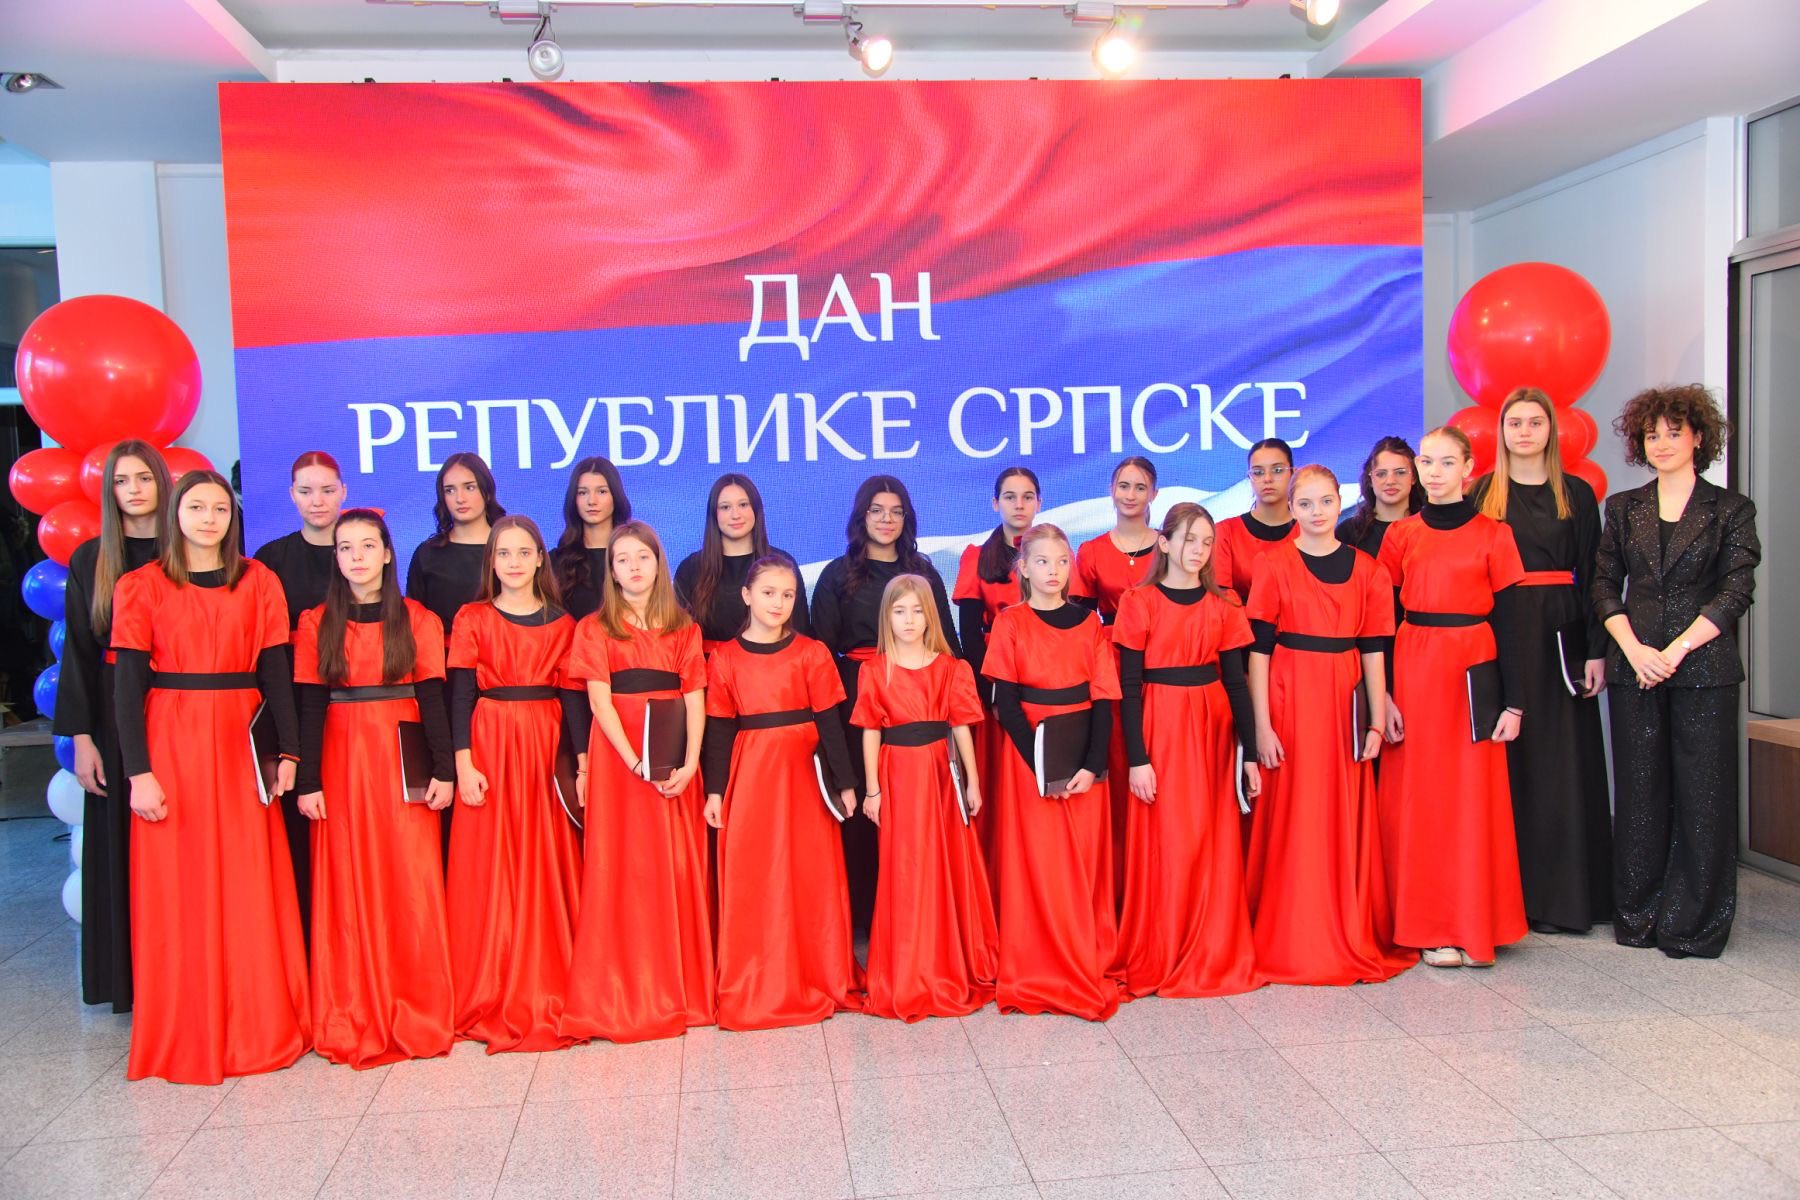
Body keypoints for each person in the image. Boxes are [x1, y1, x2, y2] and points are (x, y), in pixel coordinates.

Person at [111, 469, 308, 1083]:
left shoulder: (259, 581)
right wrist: (138, 772)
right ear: (176, 514)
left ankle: (257, 1020)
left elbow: (276, 673)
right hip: (171, 739)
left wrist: (290, 753)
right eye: (196, 507)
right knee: (181, 884)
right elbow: (126, 688)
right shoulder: (140, 586)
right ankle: (189, 1024)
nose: (208, 519)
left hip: (241, 738)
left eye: (220, 509)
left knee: (248, 877)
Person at [1594, 385, 1760, 959]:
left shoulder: (1730, 509)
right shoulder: (1622, 507)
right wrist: (1635, 650)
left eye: (1673, 433)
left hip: (1704, 669)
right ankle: (1638, 917)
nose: (1661, 443)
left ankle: (1694, 926)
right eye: (1651, 435)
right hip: (1634, 667)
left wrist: (1677, 650)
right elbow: (1603, 585)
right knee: (1639, 796)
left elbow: (1736, 591)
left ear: (1698, 438)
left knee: (1702, 799)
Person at [293, 509, 455, 1067]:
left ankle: (417, 1000)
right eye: (346, 547)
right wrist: (308, 779)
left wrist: (444, 769)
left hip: (403, 754)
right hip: (342, 758)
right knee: (349, 874)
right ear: (336, 558)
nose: (357, 556)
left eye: (368, 545)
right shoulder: (316, 622)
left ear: (387, 553)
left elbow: (432, 698)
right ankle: (354, 1002)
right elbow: (310, 705)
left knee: (410, 876)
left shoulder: (419, 619)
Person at [1246, 466, 1413, 985]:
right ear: (1291, 509)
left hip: (1344, 699)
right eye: (1306, 504)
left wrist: (1376, 717)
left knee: (1341, 809)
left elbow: (1374, 648)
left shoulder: (1369, 570)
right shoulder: (1271, 564)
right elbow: (1258, 652)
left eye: (1325, 502)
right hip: (1289, 697)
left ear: (1340, 502)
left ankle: (1342, 925)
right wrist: (1261, 727)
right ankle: (1290, 930)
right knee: (1292, 810)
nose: (1316, 512)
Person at [1378, 427, 1528, 968]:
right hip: (1414, 665)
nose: (1434, 472)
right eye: (1427, 461)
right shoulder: (1401, 535)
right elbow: (1382, 621)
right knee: (1421, 800)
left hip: (1473, 668)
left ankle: (1472, 922)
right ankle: (1427, 925)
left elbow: (1514, 624)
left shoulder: (1496, 534)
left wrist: (1515, 703)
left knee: (1470, 799)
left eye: (1446, 462)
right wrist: (1384, 696)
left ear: (1468, 468)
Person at [559, 520, 715, 1041]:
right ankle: (625, 984)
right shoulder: (594, 627)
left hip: (674, 759)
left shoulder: (684, 627)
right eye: (622, 559)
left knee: (673, 864)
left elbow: (695, 697)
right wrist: (632, 762)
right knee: (625, 864)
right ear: (611, 570)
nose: (633, 567)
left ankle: (680, 985)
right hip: (620, 761)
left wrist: (689, 762)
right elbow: (598, 701)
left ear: (658, 563)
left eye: (642, 557)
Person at [1471, 389, 1612, 934]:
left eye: (1535, 422)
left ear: (1551, 430)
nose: (1524, 432)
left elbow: (1596, 575)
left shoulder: (1575, 493)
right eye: (1515, 423)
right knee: (1509, 765)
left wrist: (1596, 649)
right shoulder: (1482, 492)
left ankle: (1561, 900)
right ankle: (1510, 897)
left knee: (1560, 763)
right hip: (1500, 633)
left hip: (1559, 632)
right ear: (1501, 431)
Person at [702, 555, 860, 1029]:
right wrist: (715, 792)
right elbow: (719, 731)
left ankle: (818, 970)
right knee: (758, 872)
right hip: (752, 774)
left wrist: (845, 783)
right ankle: (760, 974)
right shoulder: (725, 658)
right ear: (746, 595)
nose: (778, 602)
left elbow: (830, 724)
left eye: (788, 594)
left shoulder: (812, 653)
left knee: (808, 871)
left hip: (805, 774)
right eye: (768, 592)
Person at [445, 516, 584, 1052]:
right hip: (490, 744)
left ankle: (549, 973)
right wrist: (463, 762)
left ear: (540, 558)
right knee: (493, 860)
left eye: (525, 552)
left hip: (545, 744)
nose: (514, 562)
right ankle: (492, 978)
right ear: (492, 562)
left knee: (546, 855)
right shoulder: (472, 618)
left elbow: (572, 699)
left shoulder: (563, 623)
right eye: (504, 553)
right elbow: (461, 693)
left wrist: (582, 763)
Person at [1114, 502, 1263, 998]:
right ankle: (1165, 944)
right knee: (1169, 840)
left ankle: (1211, 946)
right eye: (1188, 539)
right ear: (1164, 542)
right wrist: (1138, 758)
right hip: (1161, 726)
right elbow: (1128, 687)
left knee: (1209, 836)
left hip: (1212, 729)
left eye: (1206, 542)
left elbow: (1237, 684)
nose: (1198, 550)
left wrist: (1249, 754)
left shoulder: (1225, 605)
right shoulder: (1138, 601)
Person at [984, 524, 1124, 1020]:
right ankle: (1039, 957)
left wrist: (1092, 763)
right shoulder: (1010, 623)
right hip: (1032, 758)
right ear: (1023, 568)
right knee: (1040, 861)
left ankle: (1085, 949)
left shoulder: (1089, 623)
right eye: (1042, 562)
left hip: (1082, 753)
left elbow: (1104, 698)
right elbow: (1006, 705)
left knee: (1082, 860)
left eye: (1062, 562)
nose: (1053, 571)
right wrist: (1042, 769)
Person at [812, 475, 960, 929]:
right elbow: (821, 652)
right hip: (858, 697)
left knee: (914, 809)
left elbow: (947, 642)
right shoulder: (837, 574)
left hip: (918, 703)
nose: (886, 520)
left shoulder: (924, 572)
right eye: (876, 511)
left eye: (896, 511)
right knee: (863, 801)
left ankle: (919, 913)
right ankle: (867, 916)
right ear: (861, 517)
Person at [54, 440, 170, 1013]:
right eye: (122, 481)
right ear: (109, 492)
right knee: (121, 840)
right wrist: (82, 738)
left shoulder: (189, 547)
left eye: (143, 478)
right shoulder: (91, 558)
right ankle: (128, 980)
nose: (134, 490)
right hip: (109, 703)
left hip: (176, 701)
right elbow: (77, 651)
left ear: (162, 483)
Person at [850, 574, 997, 1021]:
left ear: (931, 615)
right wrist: (872, 789)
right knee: (905, 865)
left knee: (942, 861)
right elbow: (870, 731)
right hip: (897, 775)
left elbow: (961, 727)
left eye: (917, 611)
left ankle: (946, 958)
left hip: (940, 774)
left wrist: (972, 781)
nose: (909, 620)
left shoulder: (951, 668)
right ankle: (909, 962)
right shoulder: (874, 670)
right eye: (900, 611)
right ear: (887, 617)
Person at [254, 449, 349, 949]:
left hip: (353, 700)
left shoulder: (360, 546)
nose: (318, 501)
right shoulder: (270, 559)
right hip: (290, 700)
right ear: (292, 495)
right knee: (296, 817)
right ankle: (302, 941)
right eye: (307, 491)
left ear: (343, 492)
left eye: (327, 490)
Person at [952, 466, 1044, 889]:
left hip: (1043, 678)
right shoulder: (977, 556)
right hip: (995, 679)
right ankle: (998, 877)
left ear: (1039, 503)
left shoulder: (1055, 550)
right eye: (1010, 497)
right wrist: (990, 688)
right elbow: (969, 633)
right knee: (998, 780)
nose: (1019, 505)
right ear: (995, 503)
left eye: (1027, 497)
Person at [1074, 456, 1160, 905]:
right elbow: (1077, 621)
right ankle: (1118, 885)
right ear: (1111, 490)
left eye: (1139, 487)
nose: (1130, 494)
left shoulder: (1168, 545)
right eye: (1123, 485)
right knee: (1118, 764)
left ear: (1154, 494)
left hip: (1160, 663)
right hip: (1108, 664)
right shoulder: (1090, 551)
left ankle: (1154, 881)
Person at [675, 472, 810, 653]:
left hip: (772, 666)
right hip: (707, 667)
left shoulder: (782, 564)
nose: (735, 515)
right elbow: (679, 638)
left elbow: (800, 631)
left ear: (756, 509)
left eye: (743, 505)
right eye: (725, 507)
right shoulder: (690, 568)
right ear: (714, 514)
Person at [408, 452, 506, 634]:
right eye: (450, 490)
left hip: (501, 650)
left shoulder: (508, 548)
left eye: (469, 487)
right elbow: (414, 622)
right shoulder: (427, 553)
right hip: (440, 650)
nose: (460, 498)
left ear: (487, 492)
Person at [1214, 439, 1300, 604]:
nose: (1267, 478)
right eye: (1258, 472)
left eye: (1277, 470)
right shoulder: (1226, 532)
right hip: (1241, 620)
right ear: (1249, 477)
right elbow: (1221, 601)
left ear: (1293, 473)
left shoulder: (1309, 532)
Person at [550, 455, 630, 622]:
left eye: (601, 491)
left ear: (615, 496)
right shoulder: (555, 561)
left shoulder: (634, 556)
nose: (592, 501)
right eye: (582, 492)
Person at [1338, 436, 1425, 558]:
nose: (1390, 481)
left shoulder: (1429, 528)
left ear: (1414, 477)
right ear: (1370, 479)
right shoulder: (1347, 533)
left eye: (1400, 472)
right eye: (1381, 474)